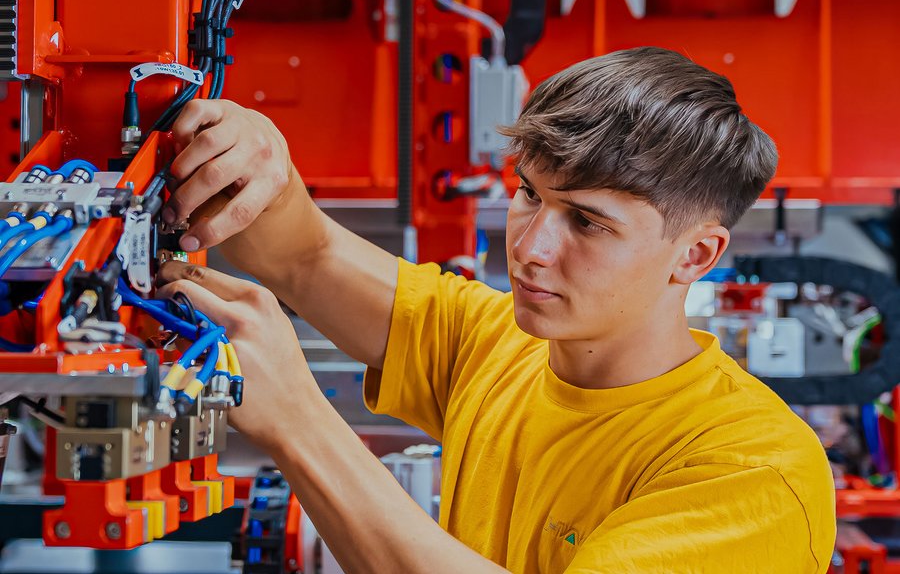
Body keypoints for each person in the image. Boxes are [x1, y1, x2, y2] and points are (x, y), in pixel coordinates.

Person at [158, 47, 836, 573]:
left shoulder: (751, 472)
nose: (530, 248)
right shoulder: (498, 342)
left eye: (588, 223)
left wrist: (299, 423)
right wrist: (254, 153)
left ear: (695, 256)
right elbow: (304, 256)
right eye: (528, 194)